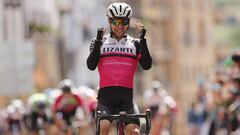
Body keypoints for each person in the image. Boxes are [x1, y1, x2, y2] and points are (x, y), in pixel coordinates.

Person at [87, 2, 152, 135]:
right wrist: (98, 41)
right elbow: (91, 65)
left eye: (125, 22)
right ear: (109, 21)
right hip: (106, 99)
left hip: (127, 98)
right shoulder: (99, 41)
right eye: (116, 22)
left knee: (134, 132)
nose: (120, 26)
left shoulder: (135, 43)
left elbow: (147, 65)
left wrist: (143, 39)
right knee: (104, 126)